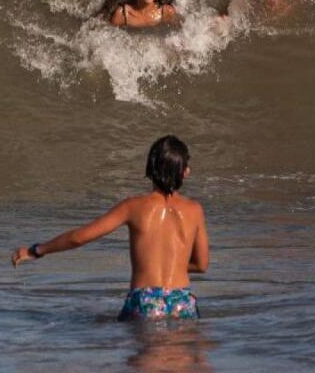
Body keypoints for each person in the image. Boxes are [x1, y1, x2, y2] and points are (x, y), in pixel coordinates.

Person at [11, 135, 210, 321]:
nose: (189, 170)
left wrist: (37, 250)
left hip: (145, 302)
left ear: (151, 167)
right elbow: (201, 265)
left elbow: (79, 237)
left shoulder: (133, 206)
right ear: (182, 171)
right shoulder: (195, 210)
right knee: (181, 356)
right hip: (182, 303)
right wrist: (171, 263)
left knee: (143, 355)